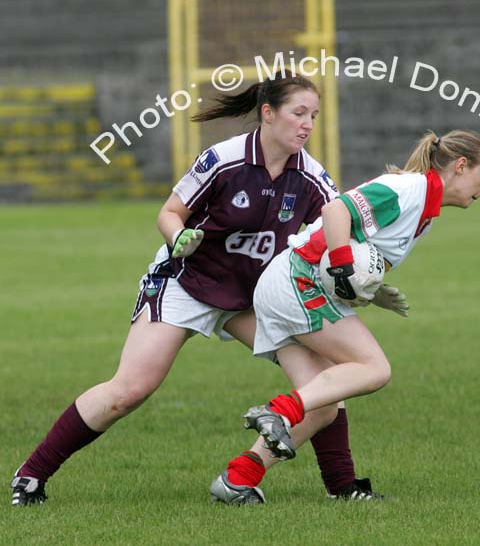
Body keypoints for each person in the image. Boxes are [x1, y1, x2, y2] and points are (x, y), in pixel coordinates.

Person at [10, 72, 400, 507]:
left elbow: (339, 224)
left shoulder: (309, 175)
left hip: (253, 297)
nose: (307, 124)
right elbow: (169, 213)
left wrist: (366, 280)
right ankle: (30, 475)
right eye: (298, 113)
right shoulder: (225, 158)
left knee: (326, 384)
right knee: (129, 391)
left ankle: (341, 487)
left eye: (314, 115)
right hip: (187, 281)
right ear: (268, 114)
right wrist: (178, 237)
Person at [210, 129, 480, 503]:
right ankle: (278, 412)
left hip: (293, 281)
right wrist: (345, 268)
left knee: (325, 402)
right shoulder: (408, 190)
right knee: (374, 369)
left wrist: (370, 290)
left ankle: (240, 479)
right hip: (297, 281)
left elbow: (360, 244)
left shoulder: (425, 207)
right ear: (460, 166)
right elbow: (336, 210)